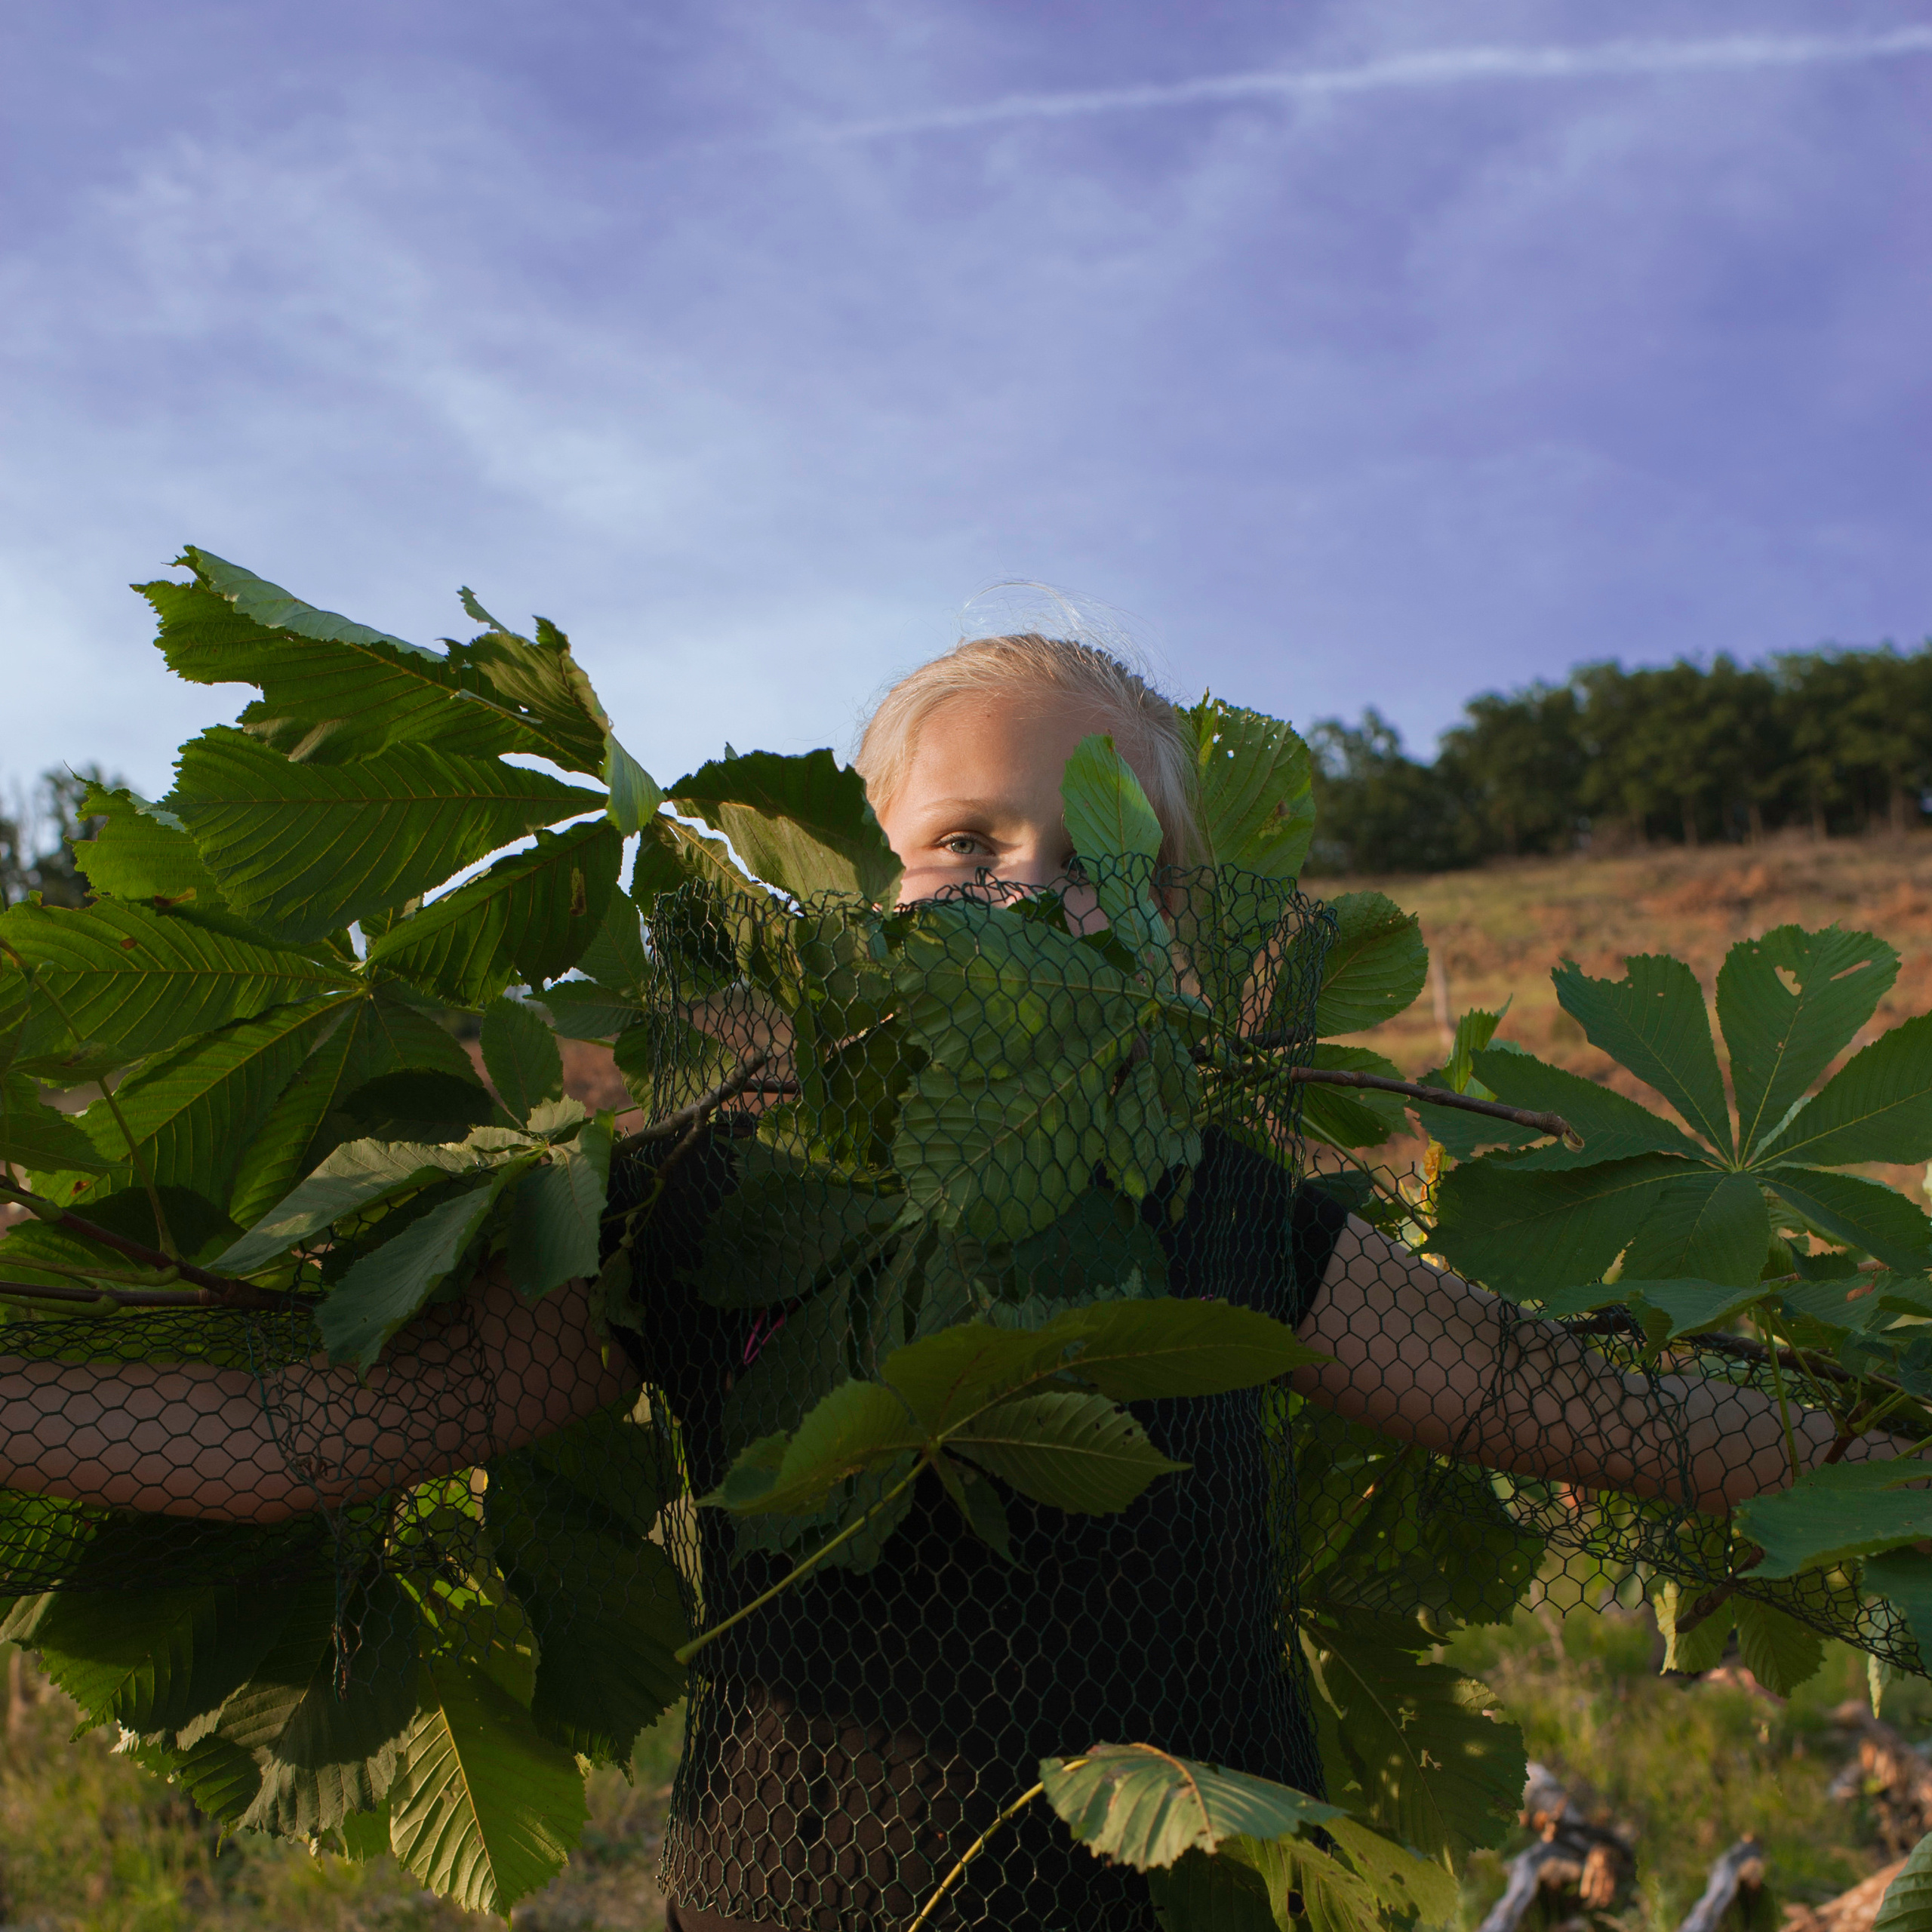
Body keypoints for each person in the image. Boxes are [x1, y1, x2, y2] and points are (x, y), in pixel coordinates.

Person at [0, 632, 1885, 1931]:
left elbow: (1561, 1403)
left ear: (1171, 937)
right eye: (963, 841)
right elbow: (307, 1427)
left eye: (1090, 859)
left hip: (1192, 1901)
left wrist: (1860, 1430)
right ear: (866, 887)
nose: (1021, 885)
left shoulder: (1226, 1211)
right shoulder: (707, 1198)